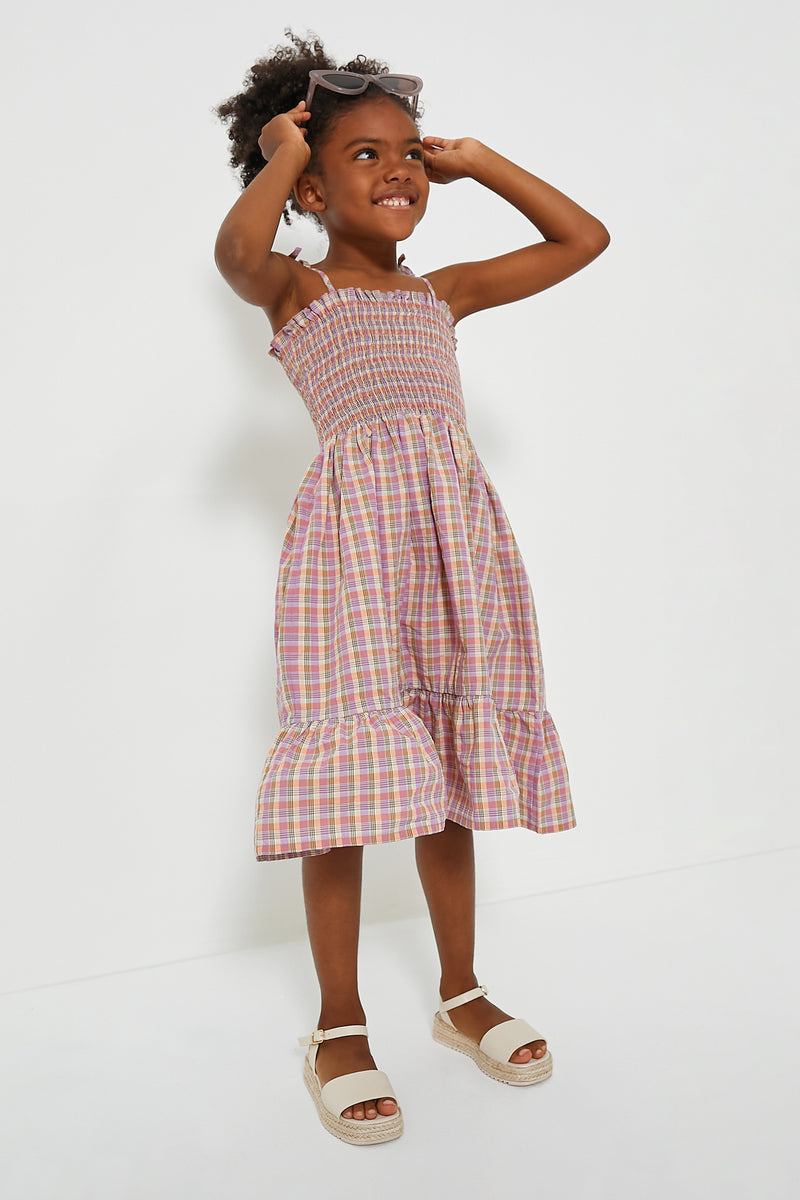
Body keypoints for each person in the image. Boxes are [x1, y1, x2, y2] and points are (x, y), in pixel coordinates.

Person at [214, 30, 609, 1146]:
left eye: (406, 156)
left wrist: (476, 160)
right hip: (351, 554)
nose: (394, 172)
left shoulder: (442, 294)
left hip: (453, 547)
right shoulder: (293, 289)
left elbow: (583, 238)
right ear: (306, 179)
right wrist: (283, 148)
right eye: (360, 155)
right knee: (348, 779)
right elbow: (236, 257)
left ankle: (458, 991)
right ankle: (337, 1022)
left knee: (446, 765)